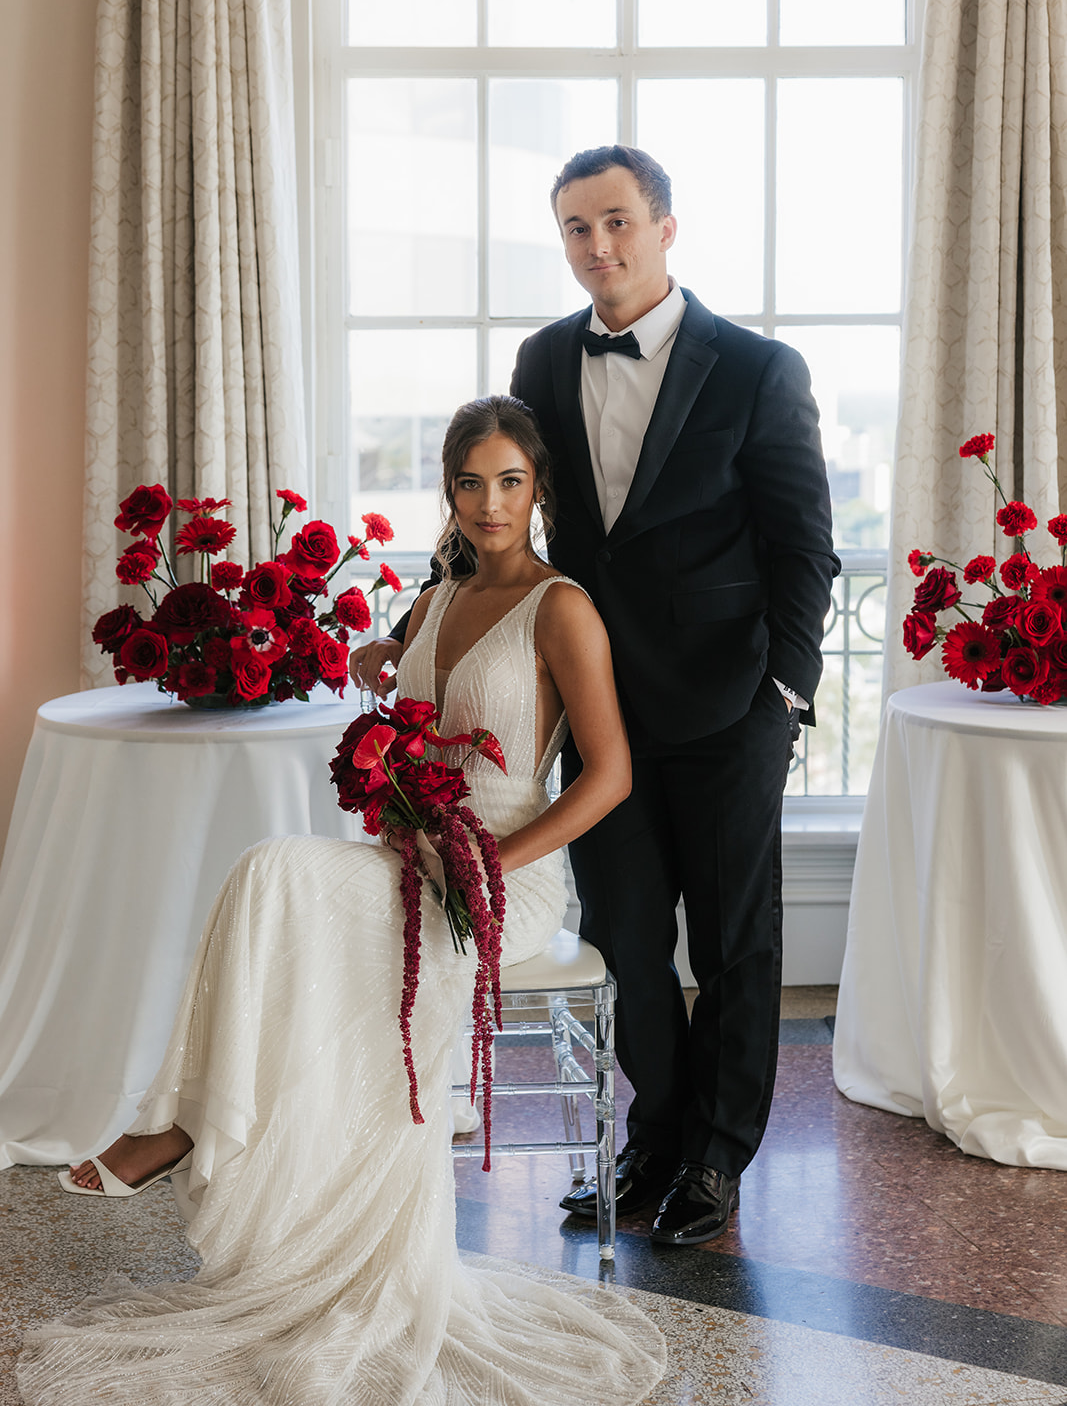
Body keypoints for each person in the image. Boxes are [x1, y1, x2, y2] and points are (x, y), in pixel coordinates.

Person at [18, 397, 666, 1406]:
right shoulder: (438, 595)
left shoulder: (561, 606)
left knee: (278, 875)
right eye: (468, 481)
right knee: (269, 873)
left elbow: (609, 773)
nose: (488, 503)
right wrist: (383, 667)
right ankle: (202, 1127)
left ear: (537, 488)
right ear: (446, 491)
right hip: (416, 854)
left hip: (509, 871)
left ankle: (192, 1127)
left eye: (508, 481)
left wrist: (493, 859)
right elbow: (409, 692)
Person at [353, 146, 839, 1248]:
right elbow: (498, 514)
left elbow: (801, 546)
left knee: (731, 943)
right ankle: (650, 1142)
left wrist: (784, 693)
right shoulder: (539, 355)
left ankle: (715, 1159)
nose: (597, 247)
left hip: (729, 706)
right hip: (595, 706)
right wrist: (413, 621)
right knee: (625, 933)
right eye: (575, 228)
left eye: (615, 221)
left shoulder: (758, 369)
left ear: (664, 225)